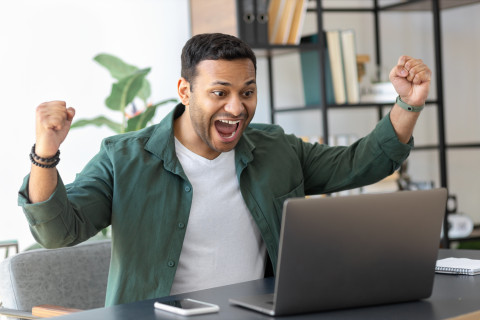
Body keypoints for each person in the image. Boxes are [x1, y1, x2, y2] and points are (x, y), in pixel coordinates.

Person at [19, 33, 431, 306]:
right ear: (185, 91)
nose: (236, 108)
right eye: (220, 92)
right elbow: (58, 231)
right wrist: (46, 152)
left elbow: (360, 163)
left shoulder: (276, 150)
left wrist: (408, 103)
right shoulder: (124, 158)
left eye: (247, 92)